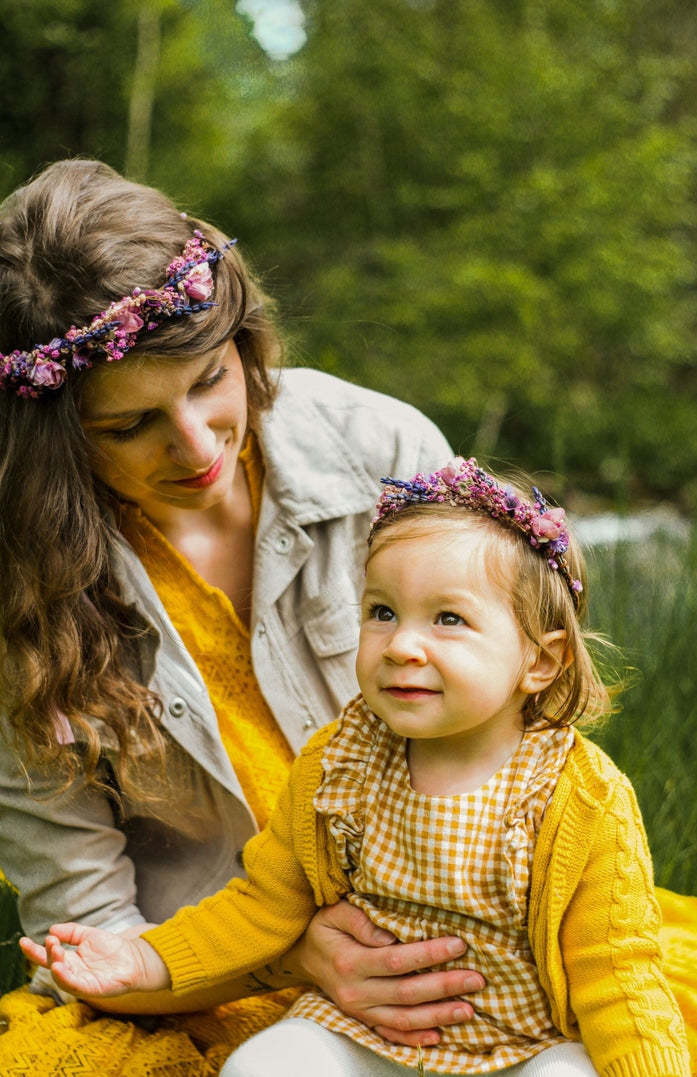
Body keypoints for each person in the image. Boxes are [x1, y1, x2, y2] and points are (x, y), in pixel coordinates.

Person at [0, 158, 487, 1075]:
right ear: (54, 441)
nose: (195, 445)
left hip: (443, 933)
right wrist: (285, 953)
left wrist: (417, 935)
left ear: (247, 342)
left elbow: (519, 735)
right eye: (128, 425)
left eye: (208, 381)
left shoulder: (389, 451)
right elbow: (83, 924)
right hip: (190, 976)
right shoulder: (18, 585)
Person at [21, 458, 692, 1077]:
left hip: (527, 1040)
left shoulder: (578, 795)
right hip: (365, 1031)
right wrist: (146, 955)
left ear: (540, 661)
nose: (402, 644)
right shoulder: (342, 762)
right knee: (262, 1065)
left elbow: (617, 973)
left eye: (448, 619)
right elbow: (263, 903)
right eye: (382, 611)